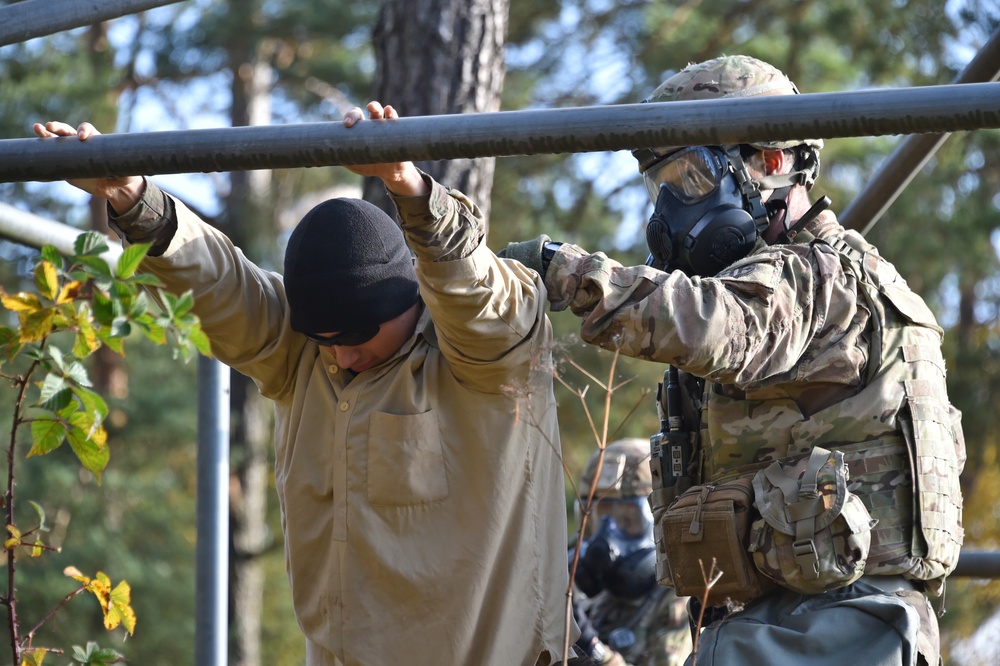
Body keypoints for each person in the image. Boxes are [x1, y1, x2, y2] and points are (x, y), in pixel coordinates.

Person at [33, 101, 582, 666]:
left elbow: (478, 296)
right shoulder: (305, 357)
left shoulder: (487, 358)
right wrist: (132, 198)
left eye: (357, 333)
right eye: (324, 338)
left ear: (406, 296)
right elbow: (222, 287)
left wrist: (410, 188)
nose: (342, 355)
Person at [499, 55, 965, 666]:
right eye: (657, 187)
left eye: (689, 179)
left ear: (771, 163)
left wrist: (568, 274)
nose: (667, 212)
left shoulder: (822, 279)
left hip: (841, 627)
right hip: (773, 626)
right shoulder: (776, 279)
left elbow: (720, 325)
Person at [570, 439, 691, 666]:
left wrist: (591, 648)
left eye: (627, 519)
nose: (607, 536)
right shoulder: (578, 584)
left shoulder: (682, 597)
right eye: (598, 517)